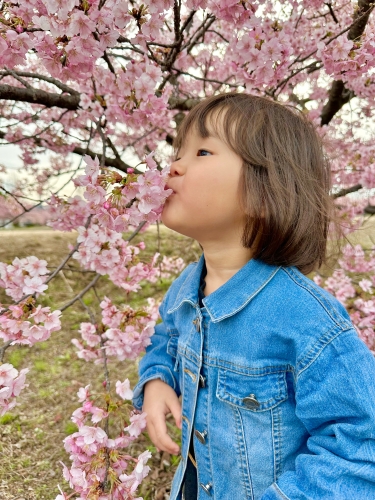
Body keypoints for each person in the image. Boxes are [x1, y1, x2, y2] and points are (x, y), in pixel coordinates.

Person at [132, 92, 375, 500]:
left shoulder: (306, 320)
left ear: (265, 190)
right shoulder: (186, 287)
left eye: (202, 151)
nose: (172, 165)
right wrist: (157, 379)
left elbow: (361, 449)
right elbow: (168, 338)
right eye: (179, 150)